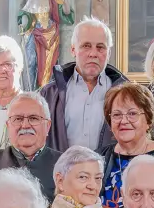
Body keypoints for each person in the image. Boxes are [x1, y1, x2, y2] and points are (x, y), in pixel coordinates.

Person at [40, 17, 127, 152]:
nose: (93, 53)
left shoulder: (126, 94)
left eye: (100, 47)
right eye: (86, 46)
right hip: (59, 171)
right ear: (73, 50)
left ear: (108, 53)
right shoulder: (49, 94)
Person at [99, 82, 154, 208]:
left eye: (132, 113)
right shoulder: (99, 159)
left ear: (148, 119)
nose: (123, 121)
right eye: (117, 115)